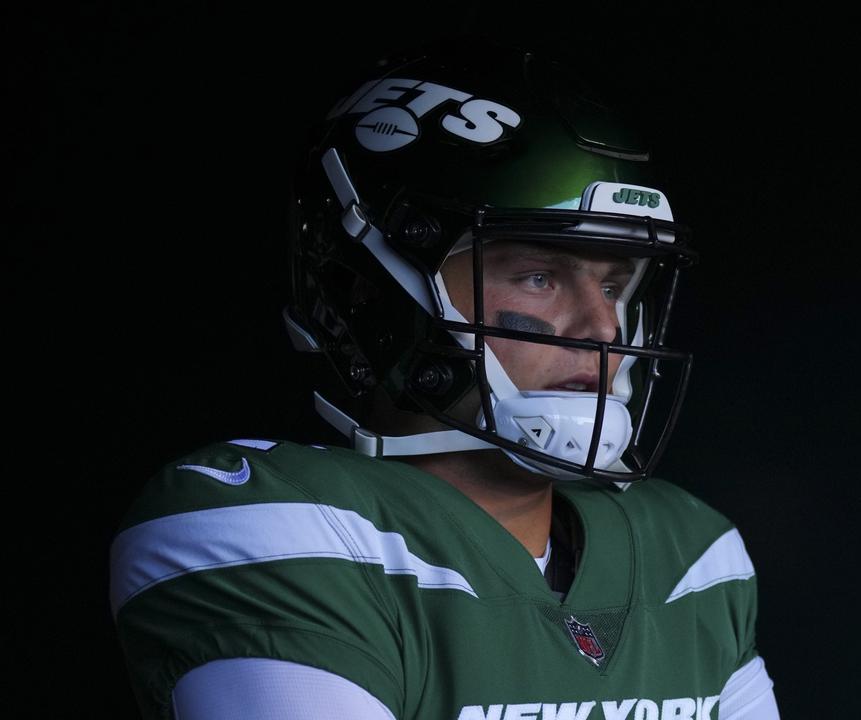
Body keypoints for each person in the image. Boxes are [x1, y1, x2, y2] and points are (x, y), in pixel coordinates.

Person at [109, 35, 780, 720]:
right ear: (375, 290)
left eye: (613, 286)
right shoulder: (272, 528)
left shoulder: (690, 556)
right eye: (540, 276)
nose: (602, 328)